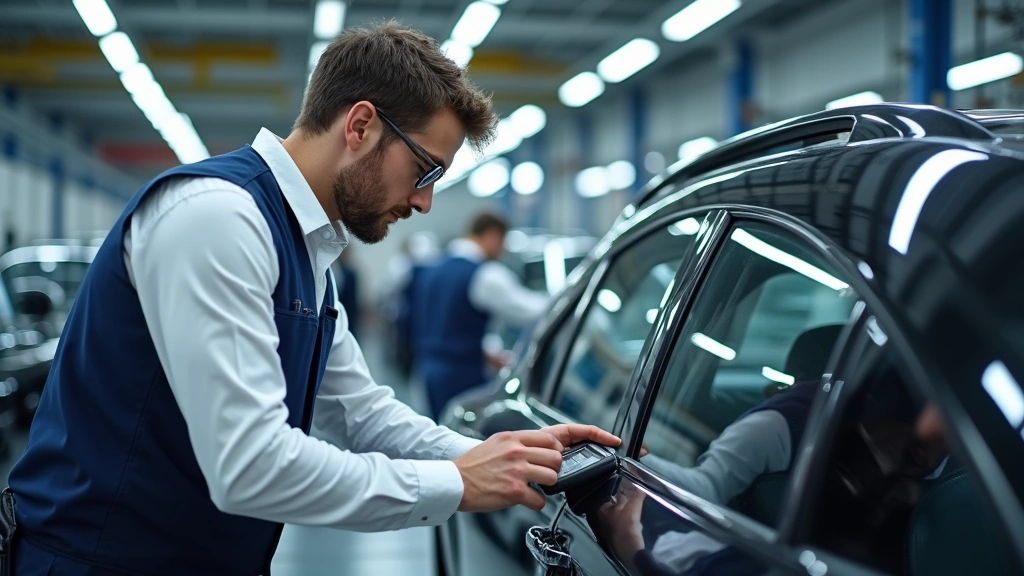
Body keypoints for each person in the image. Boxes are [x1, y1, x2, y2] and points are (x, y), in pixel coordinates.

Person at [5, 22, 619, 575]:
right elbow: (251, 467)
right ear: (360, 126)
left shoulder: (306, 254)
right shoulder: (217, 218)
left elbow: (358, 412)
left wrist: (506, 458)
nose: (426, 202)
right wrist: (455, 481)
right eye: (425, 171)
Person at [413, 212, 550, 419]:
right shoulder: (485, 274)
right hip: (461, 374)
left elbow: (447, 323)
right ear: (493, 235)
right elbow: (531, 310)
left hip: (429, 370)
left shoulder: (434, 268)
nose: (503, 251)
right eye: (503, 242)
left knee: (439, 431)